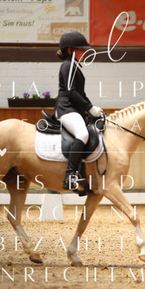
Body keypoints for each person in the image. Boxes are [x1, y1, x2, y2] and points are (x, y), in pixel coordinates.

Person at [54, 31, 103, 191]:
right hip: (66, 109)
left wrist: (92, 108)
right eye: (80, 49)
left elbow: (81, 94)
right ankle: (70, 175)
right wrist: (90, 108)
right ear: (70, 50)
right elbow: (71, 92)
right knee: (83, 134)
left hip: (74, 109)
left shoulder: (74, 67)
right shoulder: (68, 66)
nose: (84, 52)